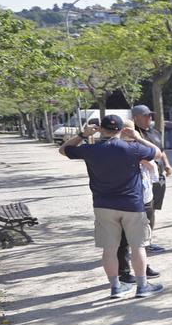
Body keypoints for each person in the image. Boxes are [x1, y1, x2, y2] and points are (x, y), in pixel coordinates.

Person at [59, 115, 165, 298]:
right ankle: (142, 286)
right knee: (138, 246)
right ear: (121, 130)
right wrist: (138, 137)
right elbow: (157, 153)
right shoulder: (132, 148)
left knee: (110, 248)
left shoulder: (90, 149)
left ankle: (116, 287)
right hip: (132, 204)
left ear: (101, 128)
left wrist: (82, 135)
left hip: (103, 204)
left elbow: (64, 150)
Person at [115, 105, 169, 283]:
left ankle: (139, 260)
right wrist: (137, 139)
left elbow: (161, 152)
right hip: (133, 194)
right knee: (129, 236)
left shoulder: (153, 132)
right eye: (146, 116)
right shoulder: (132, 139)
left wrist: (166, 165)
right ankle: (133, 270)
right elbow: (153, 156)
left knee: (148, 223)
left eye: (150, 116)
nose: (149, 119)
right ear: (135, 118)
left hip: (149, 188)